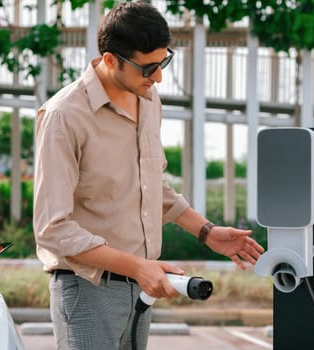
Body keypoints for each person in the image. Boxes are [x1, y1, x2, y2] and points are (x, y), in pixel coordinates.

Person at [33, 2, 265, 349]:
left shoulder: (148, 100)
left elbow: (150, 187)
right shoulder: (64, 117)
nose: (158, 77)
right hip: (86, 290)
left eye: (164, 61)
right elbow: (53, 228)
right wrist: (138, 267)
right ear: (111, 60)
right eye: (149, 67)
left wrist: (206, 231)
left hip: (139, 286)